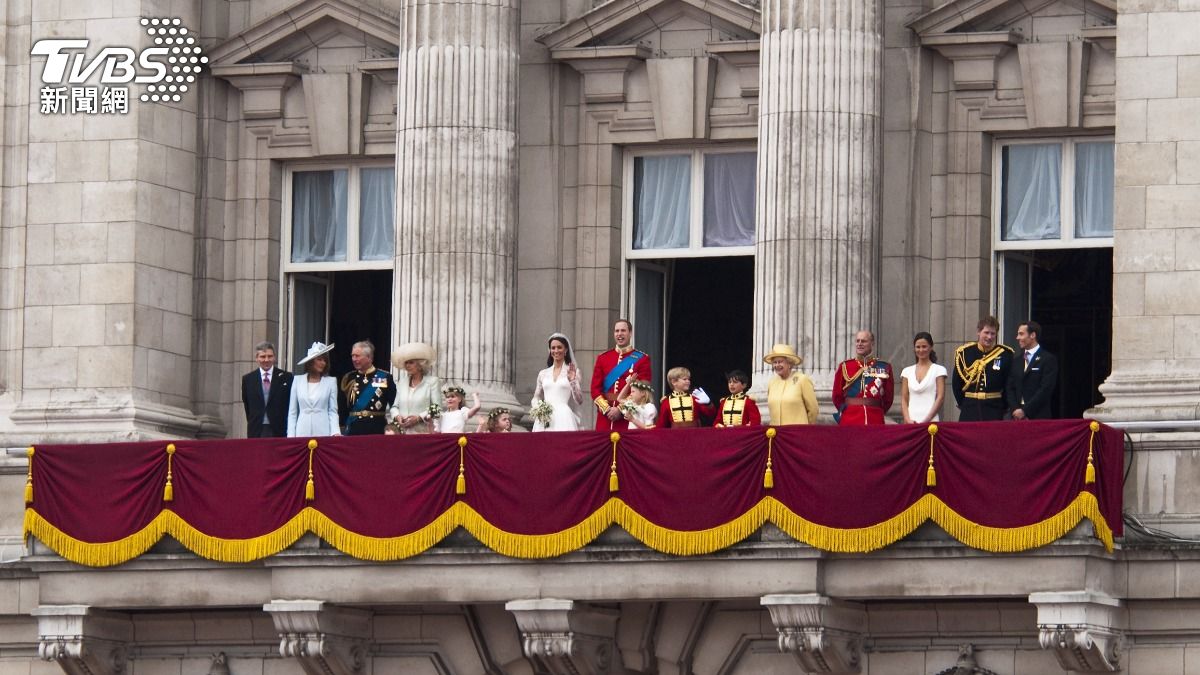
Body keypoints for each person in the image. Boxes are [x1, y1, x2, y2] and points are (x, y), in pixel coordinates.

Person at [951, 316, 1017, 421]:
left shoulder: (1005, 355)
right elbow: (956, 383)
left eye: (993, 333)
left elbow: (1008, 385)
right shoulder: (964, 353)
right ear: (978, 332)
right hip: (969, 408)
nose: (989, 337)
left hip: (994, 409)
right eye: (986, 333)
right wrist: (963, 403)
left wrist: (1003, 406)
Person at [590, 319, 652, 430]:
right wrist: (606, 409)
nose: (619, 334)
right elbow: (595, 389)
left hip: (628, 418)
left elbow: (643, 389)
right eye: (617, 331)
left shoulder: (642, 359)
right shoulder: (603, 358)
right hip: (605, 418)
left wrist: (620, 409)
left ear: (630, 333)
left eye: (623, 330)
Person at [832, 331, 894, 425]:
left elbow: (888, 397)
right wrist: (845, 411)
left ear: (872, 343)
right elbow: (837, 396)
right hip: (850, 418)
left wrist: (878, 411)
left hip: (874, 419)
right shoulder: (845, 366)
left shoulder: (884, 367)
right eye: (857, 341)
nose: (859, 344)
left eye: (863, 341)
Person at [339, 340, 396, 435]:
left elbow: (394, 403)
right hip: (354, 428)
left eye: (357, 356)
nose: (354, 359)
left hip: (376, 429)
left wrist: (393, 426)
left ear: (369, 357)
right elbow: (342, 406)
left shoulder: (384, 377)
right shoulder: (349, 378)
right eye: (352, 356)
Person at [531, 333, 584, 431]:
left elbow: (579, 400)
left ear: (566, 350)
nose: (556, 351)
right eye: (553, 348)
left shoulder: (574, 371)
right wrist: (538, 408)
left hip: (564, 416)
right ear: (550, 350)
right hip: (544, 418)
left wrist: (572, 381)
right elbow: (536, 396)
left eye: (559, 347)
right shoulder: (543, 373)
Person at [1008, 320, 1059, 420]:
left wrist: (1025, 410)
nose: (1017, 338)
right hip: (1016, 418)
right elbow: (1010, 387)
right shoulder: (1016, 361)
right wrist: (1015, 409)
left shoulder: (1048, 359)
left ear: (1032, 335)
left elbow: (1045, 389)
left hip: (1038, 416)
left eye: (1021, 334)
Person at [287, 342, 340, 437]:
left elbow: (332, 411)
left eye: (325, 360)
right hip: (302, 431)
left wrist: (335, 432)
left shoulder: (331, 382)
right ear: (311, 362)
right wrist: (291, 435)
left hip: (323, 431)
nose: (323, 363)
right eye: (319, 359)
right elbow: (292, 412)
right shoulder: (297, 380)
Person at [387, 342, 442, 434]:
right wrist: (397, 416)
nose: (407, 365)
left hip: (423, 431)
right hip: (402, 432)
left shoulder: (432, 382)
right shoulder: (402, 382)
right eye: (406, 363)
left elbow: (437, 407)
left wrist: (419, 417)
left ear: (420, 365)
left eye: (411, 362)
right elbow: (394, 407)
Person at [241, 341, 293, 437]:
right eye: (262, 356)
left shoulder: (286, 377)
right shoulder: (248, 379)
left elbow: (290, 404)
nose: (266, 359)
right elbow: (247, 406)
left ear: (274, 357)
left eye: (269, 356)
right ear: (256, 358)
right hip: (256, 429)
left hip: (279, 429)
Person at [764, 344, 819, 425]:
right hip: (776, 433)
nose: (777, 365)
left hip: (797, 433)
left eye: (780, 362)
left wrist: (806, 429)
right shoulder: (772, 383)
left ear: (789, 363)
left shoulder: (802, 379)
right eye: (774, 362)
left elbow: (813, 409)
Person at [900, 332, 947, 424]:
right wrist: (907, 419)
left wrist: (926, 420)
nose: (921, 350)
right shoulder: (906, 371)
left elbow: (940, 397)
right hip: (911, 421)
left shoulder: (939, 370)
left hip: (931, 422)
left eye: (924, 346)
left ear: (931, 347)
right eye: (918, 347)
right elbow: (904, 398)